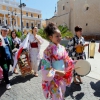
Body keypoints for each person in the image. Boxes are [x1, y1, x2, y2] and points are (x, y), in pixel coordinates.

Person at [41, 22, 74, 100]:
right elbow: (45, 68)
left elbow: (67, 59)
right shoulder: (47, 51)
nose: (59, 38)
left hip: (62, 77)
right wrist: (57, 72)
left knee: (62, 94)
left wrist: (73, 63)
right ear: (50, 37)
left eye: (60, 35)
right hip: (54, 79)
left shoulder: (62, 48)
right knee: (56, 97)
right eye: (57, 36)